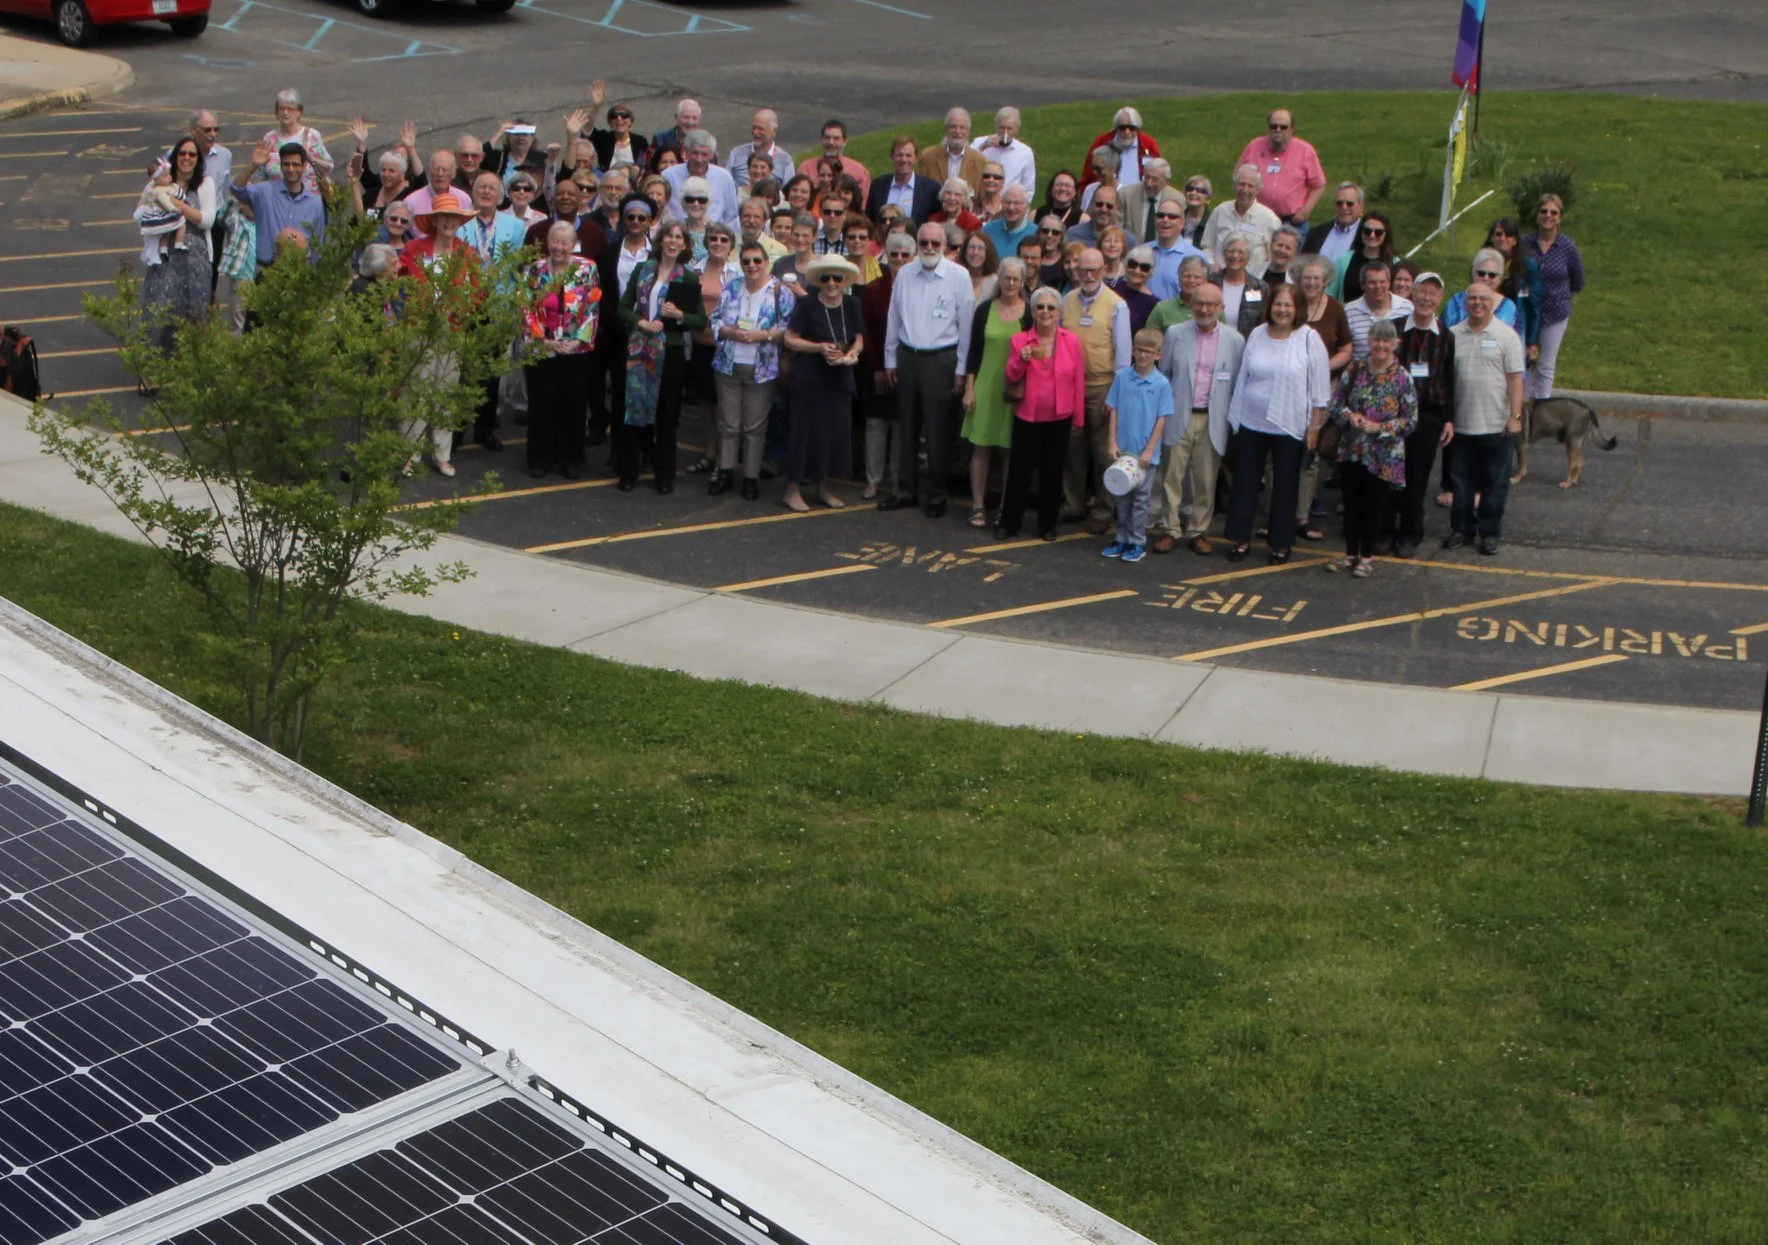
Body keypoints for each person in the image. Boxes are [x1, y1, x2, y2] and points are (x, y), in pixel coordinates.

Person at [1223, 283, 1330, 563]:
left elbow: (1320, 388)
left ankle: (1281, 543)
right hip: (1252, 420)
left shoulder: (1309, 338)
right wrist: (1236, 415)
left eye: (1288, 305)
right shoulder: (1257, 334)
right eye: (1278, 304)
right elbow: (1244, 375)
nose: (1282, 310)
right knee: (1244, 483)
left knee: (1285, 486)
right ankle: (1240, 539)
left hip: (1289, 424)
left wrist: (1315, 426)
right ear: (1270, 306)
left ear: (1298, 309)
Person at [880, 221, 975, 517]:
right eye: (924, 243)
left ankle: (936, 495)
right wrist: (890, 359)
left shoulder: (959, 276)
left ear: (945, 246)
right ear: (917, 244)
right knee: (907, 427)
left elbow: (966, 326)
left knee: (938, 431)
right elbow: (894, 317)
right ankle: (906, 490)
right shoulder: (905, 273)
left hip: (941, 360)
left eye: (936, 243)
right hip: (908, 357)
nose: (930, 248)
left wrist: (961, 369)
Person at [1152, 283, 1242, 555]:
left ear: (1221, 308)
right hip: (1179, 414)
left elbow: (1236, 384)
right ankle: (1170, 529)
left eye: (1210, 304)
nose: (1204, 309)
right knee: (1172, 476)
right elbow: (1164, 374)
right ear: (1191, 305)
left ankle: (1198, 531)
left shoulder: (1235, 340)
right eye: (1199, 303)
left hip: (1213, 418)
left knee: (1205, 479)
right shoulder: (1175, 333)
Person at [619, 217, 706, 494]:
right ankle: (629, 471)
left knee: (667, 414)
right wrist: (640, 322)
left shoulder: (688, 277)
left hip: (671, 350)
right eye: (670, 236)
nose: (673, 241)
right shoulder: (643, 269)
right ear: (661, 240)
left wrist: (680, 315)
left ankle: (664, 474)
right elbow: (623, 307)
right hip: (640, 347)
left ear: (685, 245)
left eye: (679, 238)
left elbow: (700, 320)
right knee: (634, 410)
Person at [1325, 320, 1417, 577]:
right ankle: (1349, 554)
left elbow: (1410, 420)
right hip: (1352, 449)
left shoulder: (1402, 377)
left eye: (1387, 340)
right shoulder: (1355, 369)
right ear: (1369, 341)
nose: (1381, 345)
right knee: (1351, 503)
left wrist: (1382, 427)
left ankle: (1366, 557)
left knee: (1374, 506)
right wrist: (1350, 416)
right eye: (1376, 339)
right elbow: (1335, 404)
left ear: (1395, 344)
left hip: (1383, 454)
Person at [397, 192, 478, 479]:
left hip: (453, 330)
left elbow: (477, 292)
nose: (449, 221)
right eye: (444, 216)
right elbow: (402, 284)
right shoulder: (415, 248)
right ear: (434, 220)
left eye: (453, 217)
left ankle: (442, 455)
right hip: (420, 328)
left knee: (445, 393)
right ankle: (409, 454)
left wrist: (460, 309)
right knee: (415, 392)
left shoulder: (467, 253)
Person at [996, 287, 1086, 541]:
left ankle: (1047, 524)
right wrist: (1021, 360)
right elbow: (1010, 376)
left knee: (1053, 472)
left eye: (1051, 307)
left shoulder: (1071, 341)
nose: (1045, 312)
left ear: (1059, 312)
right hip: (1028, 415)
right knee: (1019, 471)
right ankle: (1009, 523)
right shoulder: (1020, 340)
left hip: (1060, 416)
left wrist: (1079, 418)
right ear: (1033, 311)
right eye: (1040, 307)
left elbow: (1078, 381)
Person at [709, 241, 795, 500]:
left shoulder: (780, 291)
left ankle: (750, 477)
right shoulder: (732, 286)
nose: (752, 265)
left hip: (763, 368)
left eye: (757, 260)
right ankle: (725, 472)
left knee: (755, 427)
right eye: (746, 261)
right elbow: (715, 319)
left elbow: (788, 330)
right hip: (728, 363)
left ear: (766, 262)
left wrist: (762, 335)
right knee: (728, 423)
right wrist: (728, 332)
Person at [1445, 282, 1525, 555]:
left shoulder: (1507, 336)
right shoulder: (1452, 335)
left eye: (1483, 299)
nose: (1477, 303)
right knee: (1461, 483)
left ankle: (1489, 533)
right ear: (1465, 302)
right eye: (1472, 298)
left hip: (1496, 425)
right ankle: (1462, 529)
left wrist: (1515, 416)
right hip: (1462, 425)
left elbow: (1515, 379)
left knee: (1494, 484)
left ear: (1492, 303)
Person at [781, 254, 862, 512]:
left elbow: (859, 339)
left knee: (832, 435)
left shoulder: (852, 304)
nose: (831, 283)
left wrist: (853, 353)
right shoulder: (808, 304)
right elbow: (789, 338)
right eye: (825, 278)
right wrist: (818, 348)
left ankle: (823, 487)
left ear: (844, 280)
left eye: (837, 278)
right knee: (802, 433)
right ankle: (792, 490)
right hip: (809, 377)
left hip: (839, 377)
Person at [522, 222, 601, 480]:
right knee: (542, 403)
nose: (559, 247)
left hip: (575, 348)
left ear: (573, 244)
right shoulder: (535, 270)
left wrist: (578, 341)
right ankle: (540, 458)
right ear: (547, 242)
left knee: (573, 403)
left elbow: (593, 306)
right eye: (555, 241)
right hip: (542, 347)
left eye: (565, 242)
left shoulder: (587, 268)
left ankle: (571, 458)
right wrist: (542, 340)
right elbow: (526, 308)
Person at [1061, 247, 1131, 534]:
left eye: (1094, 270)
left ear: (1103, 271)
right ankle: (1073, 505)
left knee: (1103, 452)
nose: (1088, 275)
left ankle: (1103, 510)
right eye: (1083, 270)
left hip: (1103, 385)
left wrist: (1116, 396)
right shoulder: (1067, 300)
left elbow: (1123, 357)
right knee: (1072, 448)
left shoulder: (1117, 305)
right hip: (1070, 386)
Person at [960, 256, 1032, 527]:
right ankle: (977, 506)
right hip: (985, 386)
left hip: (1015, 391)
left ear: (1023, 282)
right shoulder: (984, 310)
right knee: (981, 448)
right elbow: (973, 351)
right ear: (998, 279)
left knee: (1009, 451)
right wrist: (969, 389)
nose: (1011, 283)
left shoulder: (1030, 313)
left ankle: (1005, 507)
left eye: (1016, 279)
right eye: (1006, 277)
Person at [135, 135, 216, 372]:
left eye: (192, 154)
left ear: (198, 159)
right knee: (158, 310)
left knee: (195, 312)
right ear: (174, 157)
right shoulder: (156, 184)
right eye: (182, 153)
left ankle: (193, 370)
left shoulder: (205, 184)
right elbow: (139, 214)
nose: (187, 158)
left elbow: (206, 220)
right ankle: (150, 371)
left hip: (195, 257)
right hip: (165, 256)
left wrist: (176, 204)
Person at [1393, 271, 1456, 557]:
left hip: (1428, 414)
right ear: (1412, 293)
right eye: (1422, 291)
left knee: (1416, 477)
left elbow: (1450, 380)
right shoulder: (1394, 329)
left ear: (1440, 299)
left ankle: (1410, 533)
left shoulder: (1446, 336)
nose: (1426, 298)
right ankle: (1384, 529)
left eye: (1433, 294)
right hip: (1393, 412)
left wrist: (1449, 418)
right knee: (1389, 472)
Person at [1099, 328, 1170, 562]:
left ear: (1158, 355)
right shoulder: (1122, 377)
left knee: (1140, 499)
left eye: (1149, 352)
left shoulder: (1161, 384)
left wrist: (1150, 449)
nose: (1143, 355)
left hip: (1144, 454)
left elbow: (1162, 418)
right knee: (1121, 496)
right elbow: (1113, 409)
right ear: (1132, 350)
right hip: (1123, 451)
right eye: (1139, 350)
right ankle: (1121, 536)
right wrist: (1112, 441)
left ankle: (1137, 540)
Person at [859, 232, 914, 500]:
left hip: (909, 369)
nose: (899, 259)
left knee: (902, 426)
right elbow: (865, 331)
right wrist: (877, 368)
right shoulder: (874, 289)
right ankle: (873, 479)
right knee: (876, 424)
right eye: (894, 254)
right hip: (878, 367)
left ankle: (896, 479)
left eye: (905, 255)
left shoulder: (920, 289)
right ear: (886, 256)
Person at [1521, 193, 1584, 399]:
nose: (1548, 215)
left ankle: (1541, 410)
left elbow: (1577, 281)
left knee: (1546, 366)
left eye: (1553, 212)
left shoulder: (1568, 249)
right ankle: (1521, 408)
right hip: (1528, 313)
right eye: (1544, 211)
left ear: (1560, 217)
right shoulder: (1524, 244)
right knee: (1524, 363)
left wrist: (1560, 297)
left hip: (1555, 314)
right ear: (1537, 215)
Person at [231, 139, 326, 269]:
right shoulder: (264, 192)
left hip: (299, 272)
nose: (291, 169)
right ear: (280, 166)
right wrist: (253, 165)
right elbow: (236, 189)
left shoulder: (315, 203)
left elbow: (317, 245)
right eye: (286, 164)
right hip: (266, 270)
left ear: (304, 166)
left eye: (295, 164)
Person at [1235, 108, 1326, 230]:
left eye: (1283, 127)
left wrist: (1305, 211)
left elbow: (1318, 185)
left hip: (1291, 222)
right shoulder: (1254, 147)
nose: (1278, 130)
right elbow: (1237, 177)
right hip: (1257, 218)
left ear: (1291, 129)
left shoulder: (1305, 151)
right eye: (1274, 126)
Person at [1201, 165, 1282, 273]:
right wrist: (1211, 265)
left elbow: (1274, 258)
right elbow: (1207, 246)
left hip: (1254, 279)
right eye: (1241, 184)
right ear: (1234, 185)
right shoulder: (1220, 212)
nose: (1245, 189)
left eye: (1250, 186)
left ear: (1258, 190)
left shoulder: (1270, 220)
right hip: (1219, 276)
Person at [260, 88, 331, 192]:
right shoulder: (269, 139)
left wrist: (311, 158)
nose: (285, 112)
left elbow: (328, 168)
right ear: (276, 112)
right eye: (281, 109)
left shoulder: (312, 136)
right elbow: (261, 174)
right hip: (277, 199)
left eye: (290, 109)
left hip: (308, 199)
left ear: (299, 112)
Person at [1342, 259, 1412, 360]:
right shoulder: (1349, 312)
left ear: (1389, 283)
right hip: (1361, 368)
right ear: (1362, 285)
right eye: (1372, 282)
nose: (1378, 286)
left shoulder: (1407, 308)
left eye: (1382, 282)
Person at [664, 131, 740, 224]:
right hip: (677, 230)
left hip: (714, 231)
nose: (699, 159)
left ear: (712, 155)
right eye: (695, 153)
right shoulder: (669, 176)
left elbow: (731, 216)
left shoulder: (724, 177)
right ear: (686, 152)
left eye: (704, 154)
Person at [1081, 107, 1159, 193]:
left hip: (1140, 196)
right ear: (1116, 127)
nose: (1127, 132)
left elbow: (1158, 173)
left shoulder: (1148, 144)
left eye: (1132, 128)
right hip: (1108, 196)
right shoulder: (1101, 142)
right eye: (1122, 128)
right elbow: (1089, 174)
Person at [867, 135, 940, 224]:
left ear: (916, 158)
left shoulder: (930, 189)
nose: (904, 160)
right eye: (899, 155)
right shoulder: (878, 186)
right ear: (892, 158)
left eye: (908, 155)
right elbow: (870, 220)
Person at [1330, 209, 1394, 303]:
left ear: (1385, 235)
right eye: (1367, 231)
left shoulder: (1394, 263)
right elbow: (1330, 294)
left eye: (1378, 232)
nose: (1372, 235)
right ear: (1361, 232)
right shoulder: (1344, 260)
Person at [798, 119, 871, 200]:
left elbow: (863, 203)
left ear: (845, 141)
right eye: (827, 138)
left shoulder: (858, 171)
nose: (831, 142)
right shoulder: (807, 168)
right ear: (821, 140)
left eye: (836, 138)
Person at [1213, 235, 1269, 338]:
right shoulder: (1211, 283)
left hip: (1247, 343)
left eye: (1241, 252)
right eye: (1231, 251)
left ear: (1249, 257)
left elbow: (1264, 323)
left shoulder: (1260, 287)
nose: (1235, 256)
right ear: (1224, 254)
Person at [972, 107, 1036, 195]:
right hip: (982, 198)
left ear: (1017, 130)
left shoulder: (1025, 152)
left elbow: (1028, 188)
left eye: (1009, 129)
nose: (1005, 132)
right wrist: (984, 146)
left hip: (1010, 201)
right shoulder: (979, 142)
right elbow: (967, 163)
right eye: (1002, 128)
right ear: (996, 126)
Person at [921, 107, 986, 191]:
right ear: (946, 129)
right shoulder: (928, 157)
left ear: (968, 131)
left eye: (962, 127)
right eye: (953, 126)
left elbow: (982, 196)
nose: (957, 131)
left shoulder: (980, 162)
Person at [727, 108, 794, 188]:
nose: (755, 132)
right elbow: (725, 185)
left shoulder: (785, 161)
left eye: (760, 129)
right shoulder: (736, 154)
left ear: (774, 131)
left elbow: (789, 191)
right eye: (754, 127)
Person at [1146, 254, 1208, 337]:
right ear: (1179, 278)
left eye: (1197, 277)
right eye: (1187, 276)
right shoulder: (1162, 309)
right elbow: (1148, 340)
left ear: (1205, 281)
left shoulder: (1214, 309)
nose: (1191, 280)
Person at [1304, 181, 1363, 259]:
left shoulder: (1368, 235)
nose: (1344, 207)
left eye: (1349, 204)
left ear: (1361, 207)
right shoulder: (1316, 233)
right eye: (1339, 203)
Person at [1118, 159, 1172, 244]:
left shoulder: (1176, 200)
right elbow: (1116, 230)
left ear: (1166, 182)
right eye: (1146, 177)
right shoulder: (1125, 195)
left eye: (1154, 179)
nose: (1149, 183)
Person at [982, 184, 1036, 258]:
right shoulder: (988, 230)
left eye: (1016, 203)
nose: (1011, 208)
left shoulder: (1036, 233)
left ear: (1027, 206)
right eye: (1007, 202)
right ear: (1001, 203)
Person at [1115, 245, 1160, 333]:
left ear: (1151, 272)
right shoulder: (1117, 287)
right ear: (1126, 265)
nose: (1137, 271)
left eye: (1144, 268)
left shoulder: (1154, 304)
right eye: (1133, 264)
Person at [1066, 183, 1118, 249]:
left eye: (1109, 206)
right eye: (1099, 204)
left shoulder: (1126, 239)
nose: (1104, 210)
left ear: (1116, 209)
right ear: (1092, 205)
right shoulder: (1073, 235)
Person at [1077, 145, 1119, 213]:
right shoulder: (1090, 189)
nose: (1094, 172)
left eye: (1098, 169)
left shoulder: (1123, 193)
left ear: (1113, 168)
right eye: (1093, 168)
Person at [961, 232, 999, 302]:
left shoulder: (995, 282)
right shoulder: (957, 278)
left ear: (988, 253)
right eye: (972, 247)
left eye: (981, 248)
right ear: (965, 252)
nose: (975, 252)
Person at [1176, 175, 1211, 248]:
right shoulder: (1175, 217)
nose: (1193, 193)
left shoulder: (1212, 221)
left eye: (1199, 190)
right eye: (1190, 189)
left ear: (1207, 197)